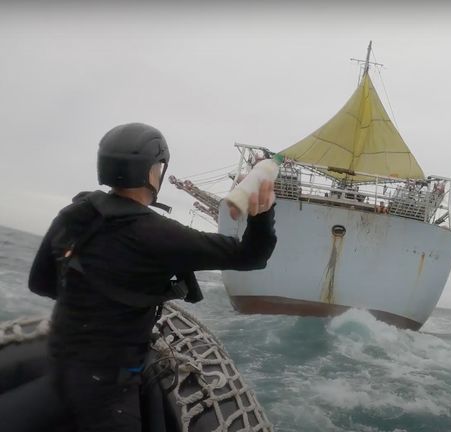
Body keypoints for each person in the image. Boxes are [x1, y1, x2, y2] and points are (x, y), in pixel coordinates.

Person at [27, 122, 277, 432]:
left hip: (59, 361)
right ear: (152, 172)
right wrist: (264, 212)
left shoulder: (73, 214)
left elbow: (40, 283)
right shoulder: (160, 235)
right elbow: (252, 256)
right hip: (107, 389)